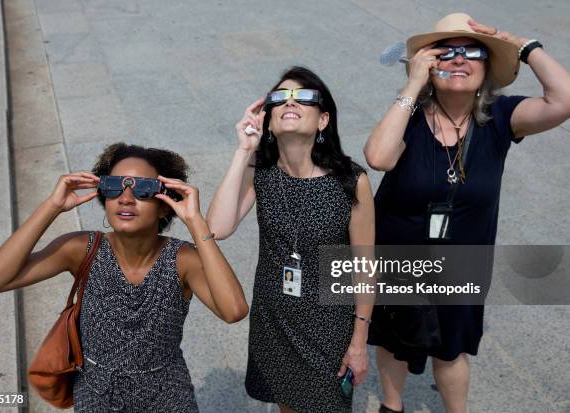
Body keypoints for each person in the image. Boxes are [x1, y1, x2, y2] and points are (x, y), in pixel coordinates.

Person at [363, 13, 570, 413]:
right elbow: (378, 157)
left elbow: (563, 101)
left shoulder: (501, 118)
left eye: (471, 51)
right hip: (399, 252)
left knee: (452, 347)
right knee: (392, 340)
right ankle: (392, 405)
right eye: (445, 52)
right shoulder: (407, 117)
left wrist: (524, 45)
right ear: (428, 64)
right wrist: (412, 84)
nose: (459, 59)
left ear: (487, 67)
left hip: (462, 262)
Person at [0, 143, 249, 412]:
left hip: (166, 395)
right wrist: (52, 205)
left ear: (165, 205)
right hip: (95, 394)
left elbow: (233, 311)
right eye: (114, 187)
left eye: (143, 189)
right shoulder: (82, 248)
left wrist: (196, 222)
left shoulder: (182, 259)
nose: (126, 198)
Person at [207, 66, 376, 413]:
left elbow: (364, 267)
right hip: (274, 319)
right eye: (280, 97)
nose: (290, 102)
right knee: (287, 406)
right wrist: (243, 151)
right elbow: (217, 228)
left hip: (329, 324)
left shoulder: (350, 181)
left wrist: (359, 343)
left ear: (323, 120)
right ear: (268, 120)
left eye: (304, 97)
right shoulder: (262, 171)